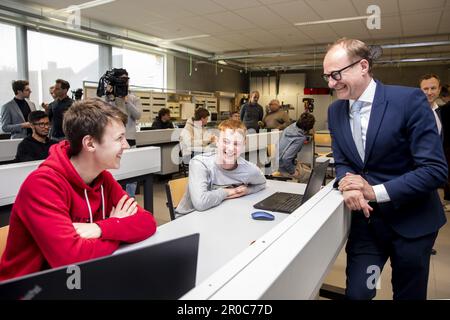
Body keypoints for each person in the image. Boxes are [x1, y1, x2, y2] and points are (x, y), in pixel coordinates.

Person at [323, 38, 447, 300]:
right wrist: (347, 183)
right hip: (368, 225)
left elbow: (434, 170)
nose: (331, 84)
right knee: (359, 293)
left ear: (363, 66)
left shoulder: (407, 100)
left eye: (336, 75)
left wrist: (372, 192)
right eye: (328, 77)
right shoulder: (335, 111)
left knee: (407, 294)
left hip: (412, 222)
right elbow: (343, 159)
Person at [0, 98, 157, 281]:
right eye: (119, 138)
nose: (126, 145)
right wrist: (117, 225)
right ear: (90, 144)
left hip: (80, 281)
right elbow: (71, 260)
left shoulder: (102, 178)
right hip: (30, 290)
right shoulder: (43, 185)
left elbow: (147, 222)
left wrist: (100, 228)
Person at [176, 119, 266, 214]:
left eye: (236, 144)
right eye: (226, 142)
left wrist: (247, 190)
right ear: (217, 141)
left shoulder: (249, 169)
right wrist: (230, 191)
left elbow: (262, 183)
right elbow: (200, 203)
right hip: (190, 217)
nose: (230, 148)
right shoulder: (200, 164)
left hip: (221, 214)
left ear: (244, 144)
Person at [104, 69, 142, 197]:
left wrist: (127, 101)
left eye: (126, 80)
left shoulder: (133, 98)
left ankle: (130, 200)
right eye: (121, 80)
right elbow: (104, 116)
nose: (124, 83)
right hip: (112, 141)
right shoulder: (109, 98)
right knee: (114, 173)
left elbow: (137, 115)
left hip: (130, 139)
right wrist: (110, 97)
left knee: (132, 175)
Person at [277, 112, 315, 181]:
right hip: (284, 167)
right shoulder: (300, 138)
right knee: (312, 176)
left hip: (277, 162)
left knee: (309, 170)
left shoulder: (291, 126)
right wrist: (293, 172)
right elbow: (286, 158)